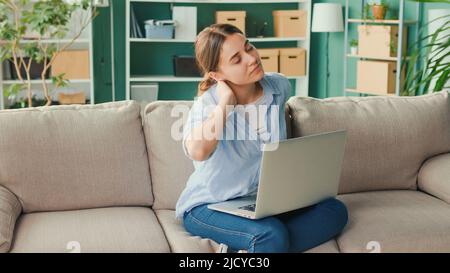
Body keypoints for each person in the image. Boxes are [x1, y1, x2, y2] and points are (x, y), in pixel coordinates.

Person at [175, 24, 348, 253]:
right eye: (237, 59)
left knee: (334, 211)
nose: (252, 58)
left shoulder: (278, 86)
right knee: (270, 234)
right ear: (217, 75)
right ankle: (264, 243)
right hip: (209, 206)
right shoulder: (208, 105)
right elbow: (198, 151)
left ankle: (252, 249)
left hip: (261, 204)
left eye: (249, 47)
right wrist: (227, 104)